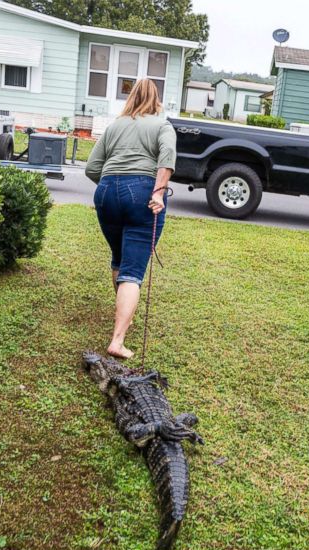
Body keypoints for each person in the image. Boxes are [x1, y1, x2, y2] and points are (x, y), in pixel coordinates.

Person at [85, 78, 177, 360]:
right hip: (142, 192)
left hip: (106, 192)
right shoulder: (162, 125)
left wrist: (112, 187)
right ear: (156, 99)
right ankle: (117, 340)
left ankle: (124, 316)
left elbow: (91, 168)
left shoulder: (114, 125)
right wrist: (158, 193)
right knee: (132, 271)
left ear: (131, 97)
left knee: (118, 257)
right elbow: (167, 158)